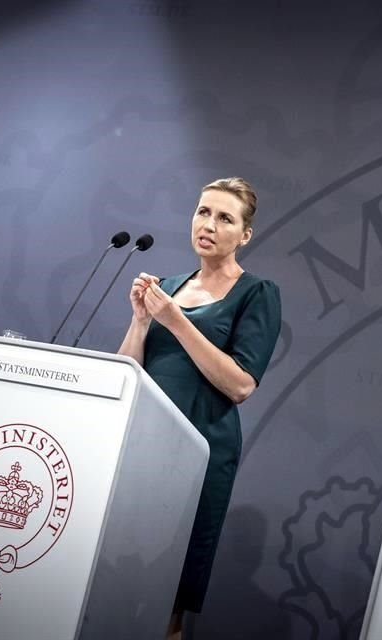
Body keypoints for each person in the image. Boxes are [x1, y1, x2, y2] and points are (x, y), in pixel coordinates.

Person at [118, 177, 282, 638]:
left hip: (198, 456)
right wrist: (141, 320)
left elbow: (241, 384)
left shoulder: (256, 293)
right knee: (118, 580)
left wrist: (175, 320)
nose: (208, 224)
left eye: (224, 218)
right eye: (202, 211)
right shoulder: (167, 287)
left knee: (167, 597)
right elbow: (128, 375)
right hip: (141, 452)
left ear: (244, 235)